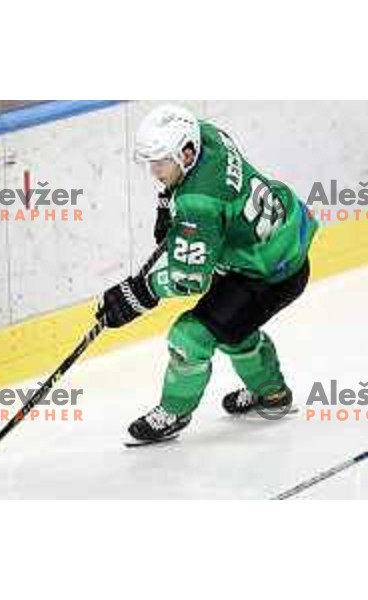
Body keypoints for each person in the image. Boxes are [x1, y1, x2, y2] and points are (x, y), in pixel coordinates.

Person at [98, 104, 319, 442]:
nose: (155, 171)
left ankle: (174, 412)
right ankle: (272, 394)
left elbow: (189, 278)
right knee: (232, 328)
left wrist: (139, 293)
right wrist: (167, 204)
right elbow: (200, 189)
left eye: (161, 163)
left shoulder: (198, 206)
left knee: (189, 338)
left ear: (186, 153)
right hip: (276, 247)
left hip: (267, 274)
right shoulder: (206, 134)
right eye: (151, 163)